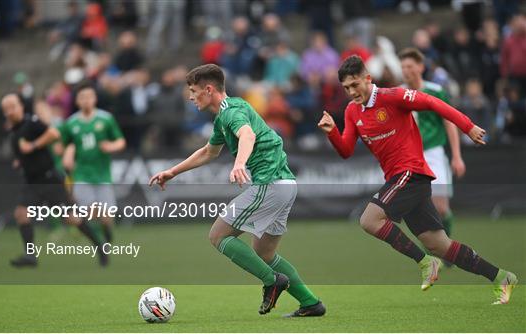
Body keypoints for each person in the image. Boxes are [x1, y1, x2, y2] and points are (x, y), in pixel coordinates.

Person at [317, 56, 518, 305]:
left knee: (369, 220)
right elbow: (346, 150)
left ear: (368, 79)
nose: (351, 92)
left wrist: (468, 126)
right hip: (401, 180)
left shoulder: (393, 96)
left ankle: (425, 262)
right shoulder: (351, 111)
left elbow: (433, 103)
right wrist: (332, 132)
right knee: (439, 244)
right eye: (346, 88)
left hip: (411, 173)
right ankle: (501, 277)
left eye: (355, 85)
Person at [149, 64, 325, 317]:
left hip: (270, 183)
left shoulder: (231, 112)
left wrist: (240, 163)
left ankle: (272, 281)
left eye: (193, 90)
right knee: (264, 253)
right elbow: (209, 152)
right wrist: (172, 172)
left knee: (218, 236)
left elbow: (247, 135)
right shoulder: (228, 113)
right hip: (286, 185)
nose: (190, 96)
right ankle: (310, 303)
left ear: (208, 90)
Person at [1, 93, 107, 267]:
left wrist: (34, 145)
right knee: (21, 214)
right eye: (6, 109)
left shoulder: (32, 122)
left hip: (49, 179)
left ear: (21, 106)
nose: (10, 111)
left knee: (71, 218)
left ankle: (99, 246)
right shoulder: (14, 131)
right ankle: (30, 256)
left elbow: (54, 133)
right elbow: (24, 152)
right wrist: (19, 160)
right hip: (32, 182)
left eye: (13, 107)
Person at [399, 47, 465, 245]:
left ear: (420, 67)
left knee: (441, 208)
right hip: (411, 158)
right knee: (419, 210)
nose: (405, 70)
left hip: (434, 153)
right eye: (402, 67)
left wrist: (456, 156)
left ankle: (447, 247)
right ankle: (433, 256)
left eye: (409, 66)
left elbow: (449, 123)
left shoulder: (435, 92)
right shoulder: (398, 94)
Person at [59, 83, 126, 244]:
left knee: (107, 216)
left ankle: (106, 231)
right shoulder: (71, 123)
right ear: (77, 101)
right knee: (90, 211)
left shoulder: (106, 119)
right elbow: (64, 145)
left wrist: (111, 146)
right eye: (82, 98)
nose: (86, 100)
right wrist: (67, 155)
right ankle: (96, 239)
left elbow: (121, 141)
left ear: (95, 98)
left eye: (89, 97)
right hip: (82, 173)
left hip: (102, 173)